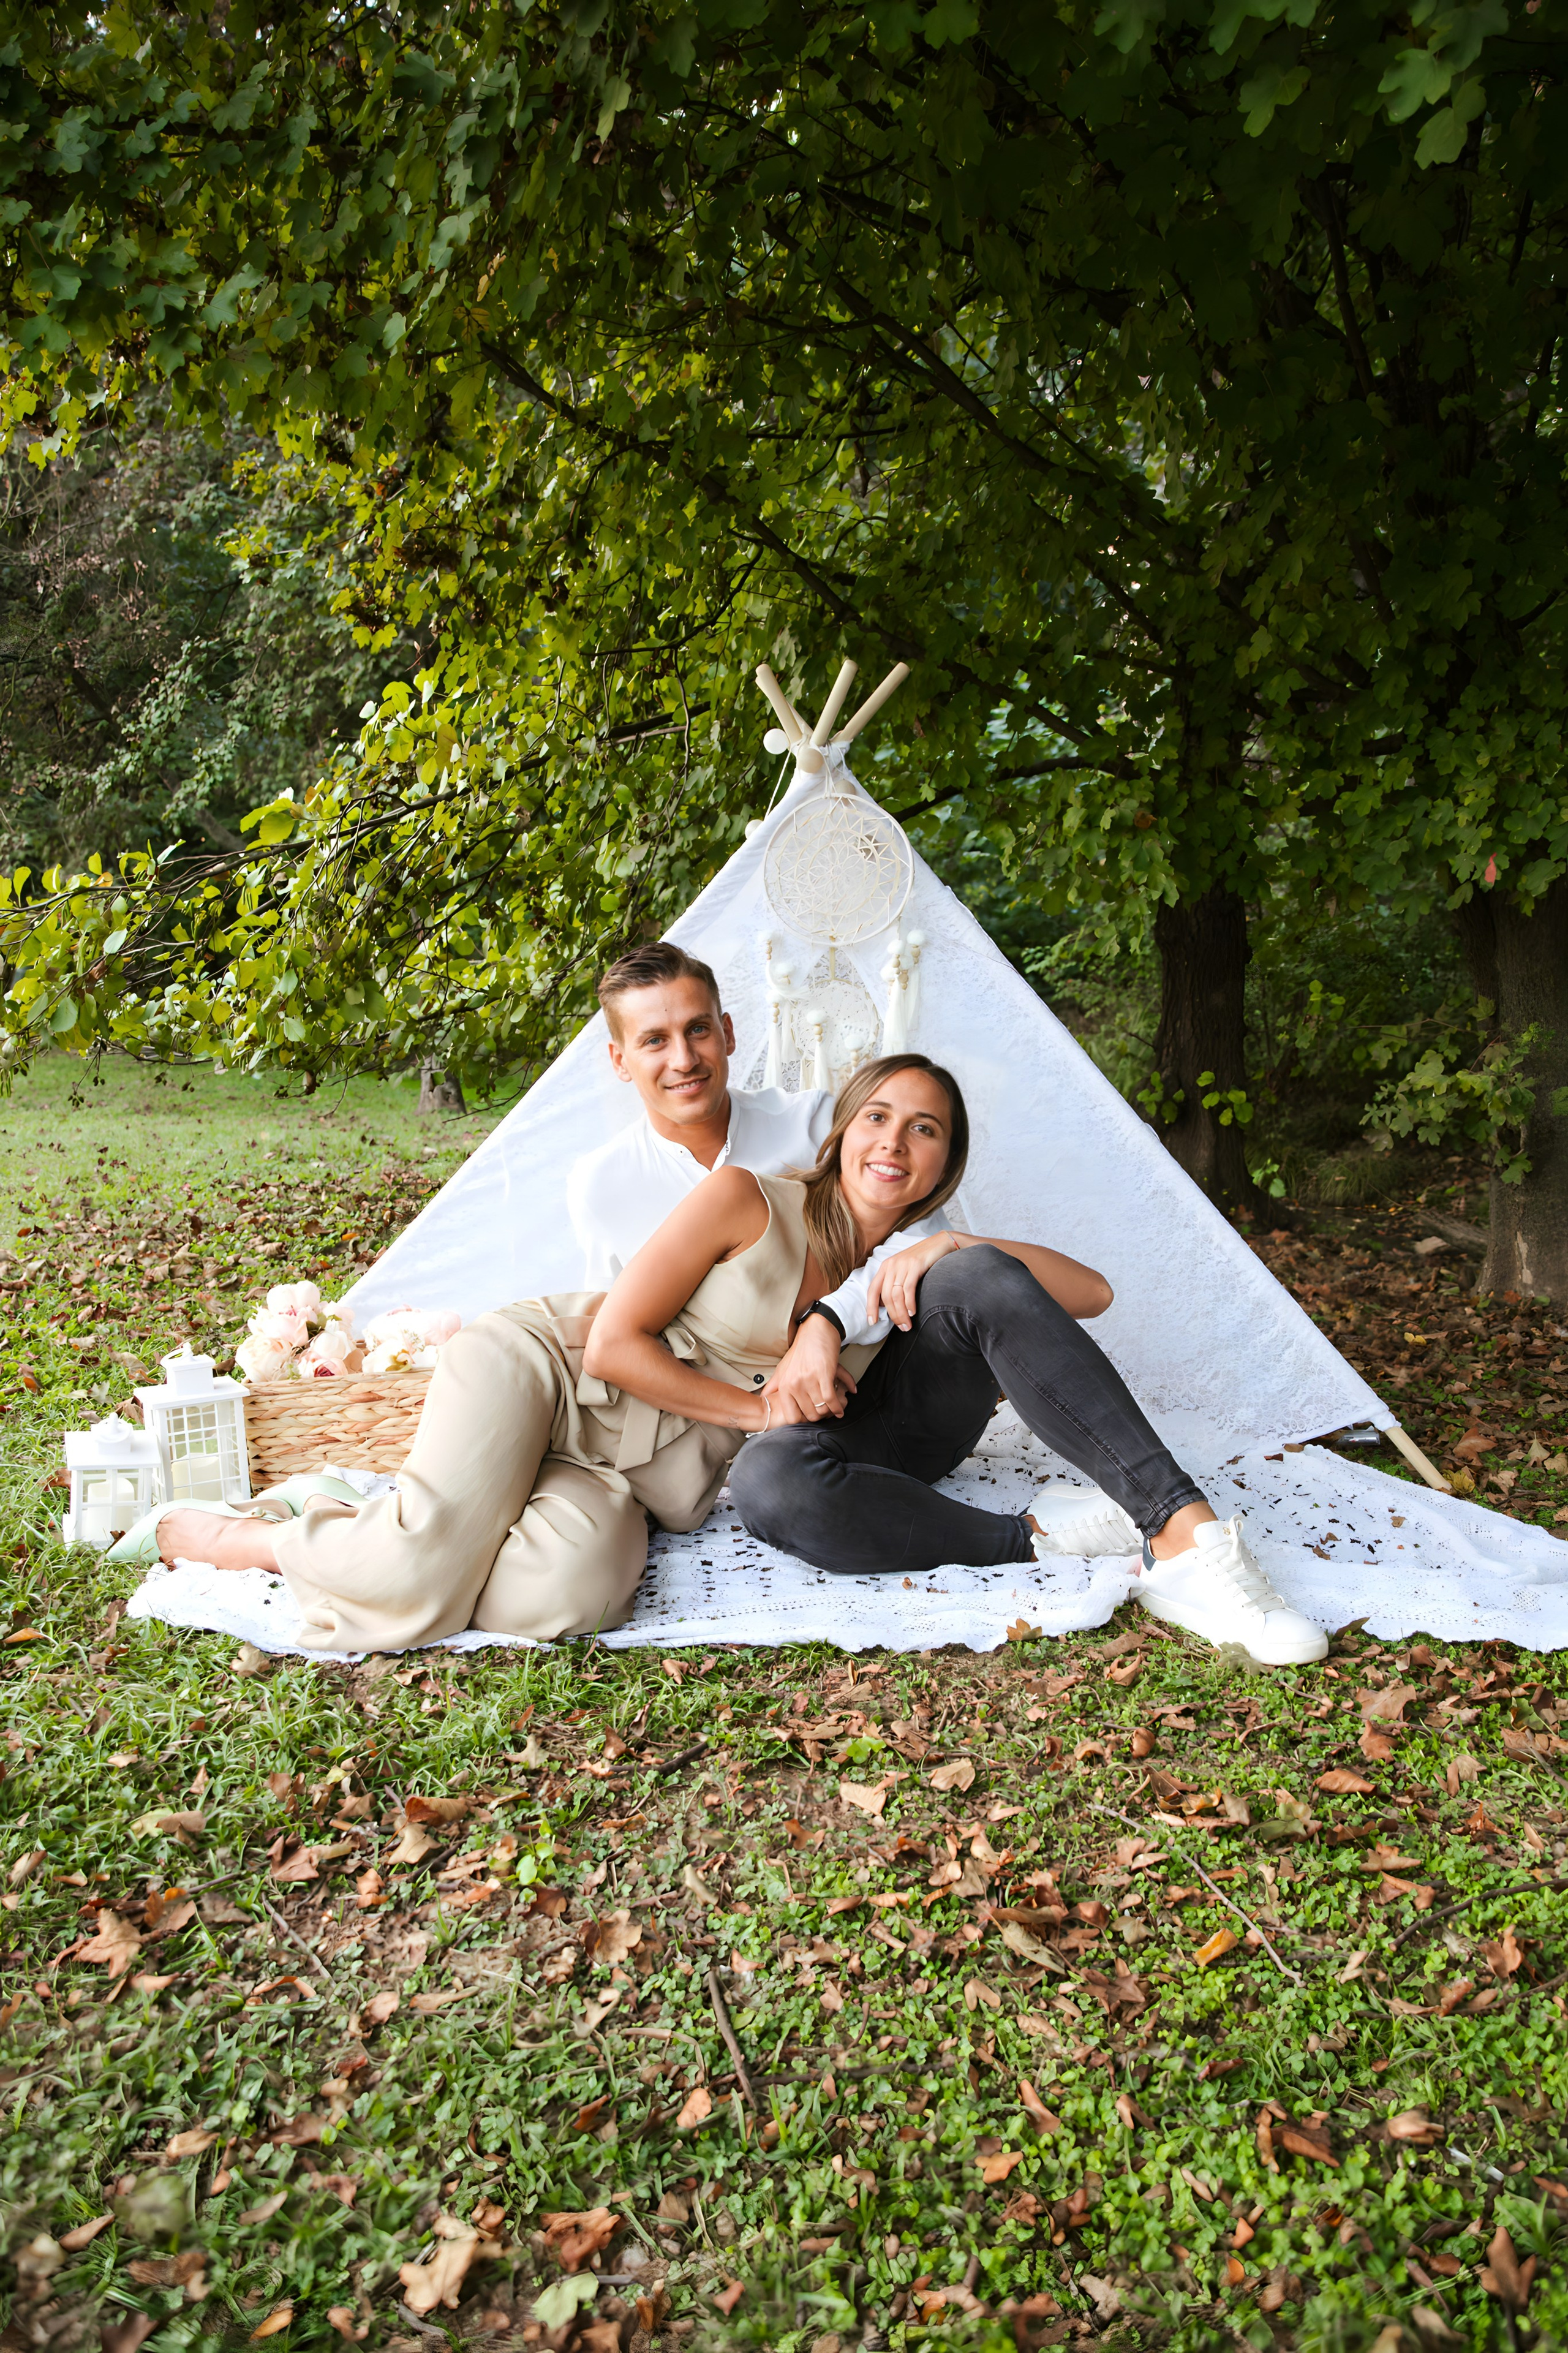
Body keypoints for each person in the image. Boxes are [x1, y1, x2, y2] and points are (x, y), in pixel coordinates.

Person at [110, 1057, 1325, 1666]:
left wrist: (953, 1243)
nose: (895, 1140)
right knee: (417, 1570)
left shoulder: (908, 1270)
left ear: (942, 1164)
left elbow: (1089, 1293)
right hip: (553, 1373)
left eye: (926, 1130)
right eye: (878, 1115)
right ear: (840, 1131)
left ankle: (1176, 1536)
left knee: (563, 1602)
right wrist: (760, 1404)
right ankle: (249, 1535)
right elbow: (612, 1340)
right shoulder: (747, 1195)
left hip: (632, 1480)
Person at [566, 940, 949, 1421]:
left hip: (861, 1392)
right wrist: (759, 1413)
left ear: (727, 1033)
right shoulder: (600, 1185)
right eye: (655, 1041)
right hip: (706, 1423)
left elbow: (921, 1238)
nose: (684, 1059)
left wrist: (827, 1321)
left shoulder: (815, 1126)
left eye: (698, 1029)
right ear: (620, 1060)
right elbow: (615, 1336)